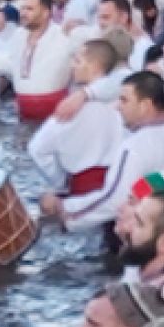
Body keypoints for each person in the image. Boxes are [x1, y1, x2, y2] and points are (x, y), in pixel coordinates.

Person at [43, 73, 164, 238]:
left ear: (145, 105)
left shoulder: (135, 146)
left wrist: (65, 210)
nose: (118, 106)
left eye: (124, 100)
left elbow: (114, 199)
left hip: (149, 234)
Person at [29, 41, 128, 223]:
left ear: (94, 66)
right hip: (119, 187)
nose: (72, 65)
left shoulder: (70, 110)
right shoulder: (124, 104)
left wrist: (61, 183)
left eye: (78, 60)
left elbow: (36, 149)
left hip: (81, 191)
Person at [4, 0, 74, 121]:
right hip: (23, 113)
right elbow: (8, 64)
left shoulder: (63, 35)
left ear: (45, 13)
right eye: (23, 8)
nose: (23, 13)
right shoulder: (17, 35)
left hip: (56, 114)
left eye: (29, 9)